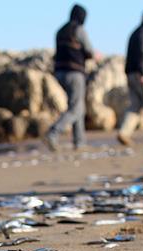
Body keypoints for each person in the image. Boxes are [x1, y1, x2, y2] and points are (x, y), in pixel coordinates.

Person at [45, 4, 99, 151]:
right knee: (76, 108)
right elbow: (88, 50)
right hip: (75, 73)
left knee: (76, 105)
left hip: (59, 72)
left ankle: (79, 141)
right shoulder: (79, 30)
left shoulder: (60, 31)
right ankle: (53, 133)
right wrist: (95, 56)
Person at [118, 10, 143, 146]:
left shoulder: (135, 33)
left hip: (131, 73)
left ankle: (124, 132)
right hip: (141, 74)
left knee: (135, 104)